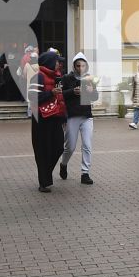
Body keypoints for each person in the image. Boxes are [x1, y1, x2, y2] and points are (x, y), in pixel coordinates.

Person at [28, 48, 68, 191]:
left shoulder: (58, 76)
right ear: (50, 62)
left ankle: (45, 174)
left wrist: (64, 117)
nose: (59, 64)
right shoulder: (38, 76)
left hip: (55, 117)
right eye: (57, 61)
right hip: (42, 119)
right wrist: (50, 92)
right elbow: (32, 97)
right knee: (43, 150)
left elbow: (61, 99)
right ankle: (43, 182)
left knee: (58, 148)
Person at [58, 53, 97, 185]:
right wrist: (72, 92)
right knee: (70, 146)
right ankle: (63, 164)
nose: (81, 68)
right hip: (72, 116)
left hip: (86, 116)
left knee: (87, 145)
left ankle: (85, 173)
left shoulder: (89, 79)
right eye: (78, 65)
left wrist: (91, 91)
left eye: (83, 65)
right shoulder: (66, 78)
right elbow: (60, 94)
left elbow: (95, 97)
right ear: (74, 65)